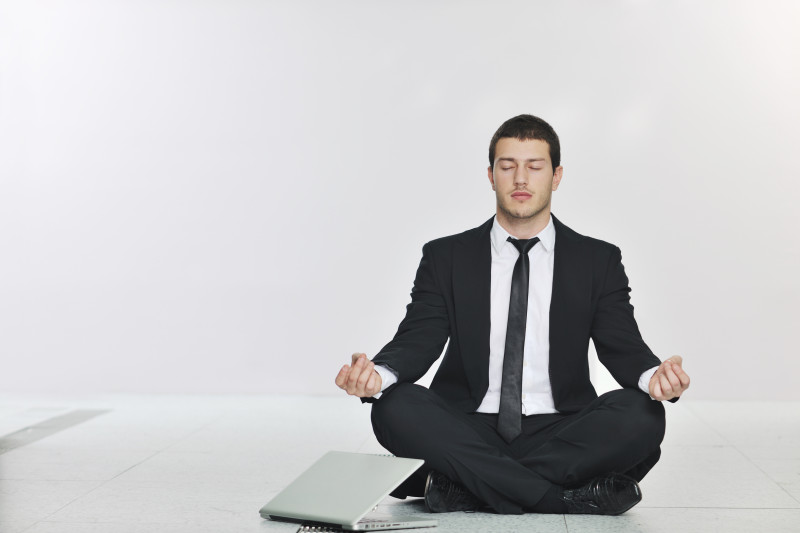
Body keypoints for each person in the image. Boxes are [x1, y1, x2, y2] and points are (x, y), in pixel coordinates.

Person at [334, 114, 690, 516]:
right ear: (491, 175)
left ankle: (465, 487)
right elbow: (419, 336)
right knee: (393, 407)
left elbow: (621, 343)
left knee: (643, 414)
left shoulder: (597, 259)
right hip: (468, 426)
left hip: (561, 428)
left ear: (556, 176)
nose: (521, 179)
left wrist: (655, 376)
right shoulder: (446, 256)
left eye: (534, 167)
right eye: (508, 166)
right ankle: (561, 497)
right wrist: (376, 375)